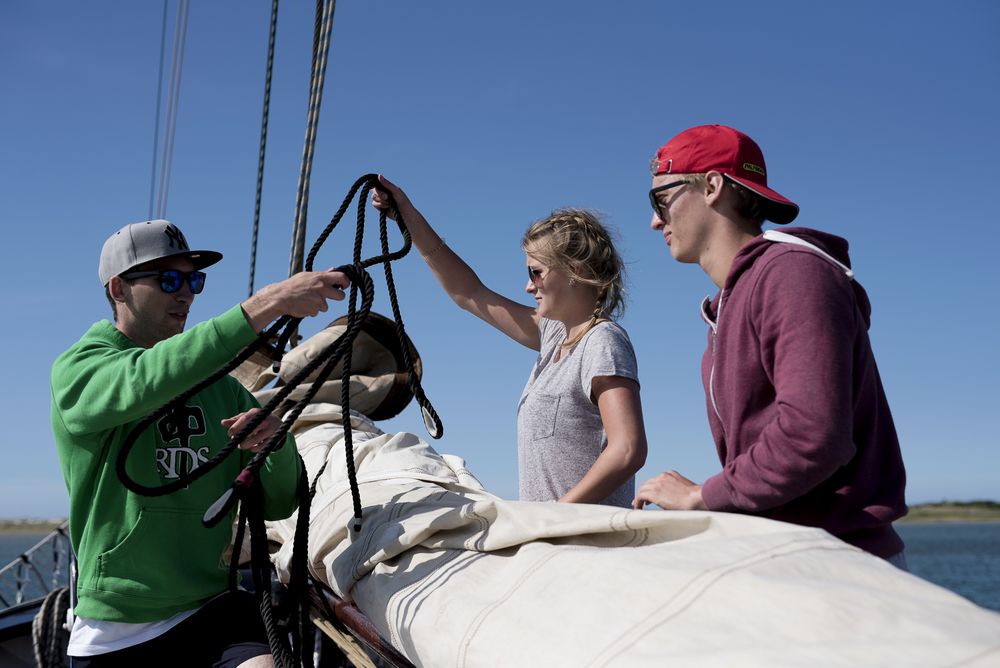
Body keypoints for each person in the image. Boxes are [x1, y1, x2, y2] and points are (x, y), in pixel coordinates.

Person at [51, 219, 350, 666]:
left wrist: (275, 444)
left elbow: (278, 503)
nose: (186, 293)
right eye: (170, 279)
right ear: (118, 289)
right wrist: (266, 304)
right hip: (116, 631)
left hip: (210, 609)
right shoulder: (81, 371)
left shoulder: (223, 389)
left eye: (194, 280)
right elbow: (145, 378)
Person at [631, 124, 908, 564]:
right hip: (788, 557)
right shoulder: (728, 305)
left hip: (840, 568)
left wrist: (704, 495)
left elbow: (812, 436)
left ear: (712, 186)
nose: (654, 220)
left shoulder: (793, 274)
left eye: (660, 199)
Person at [372, 176, 647, 507]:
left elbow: (628, 449)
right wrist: (408, 217)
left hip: (583, 546)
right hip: (550, 541)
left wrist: (556, 517)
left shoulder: (602, 341)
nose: (529, 286)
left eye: (536, 272)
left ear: (574, 270)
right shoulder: (553, 335)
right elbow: (469, 293)